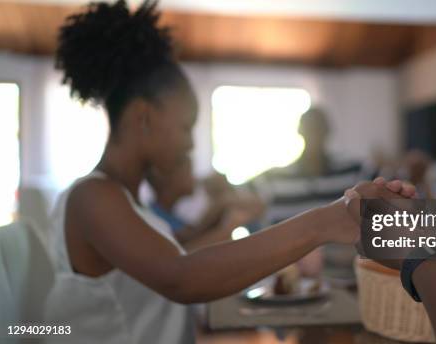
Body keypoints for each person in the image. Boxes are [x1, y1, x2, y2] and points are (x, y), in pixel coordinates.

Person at [44, 2, 413, 343]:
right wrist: (325, 222)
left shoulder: (124, 201)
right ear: (144, 117)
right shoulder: (92, 197)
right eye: (186, 127)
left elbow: (180, 255)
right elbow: (181, 276)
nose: (190, 144)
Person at [251, 107, 376, 279]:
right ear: (299, 131)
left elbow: (387, 203)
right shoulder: (273, 179)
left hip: (344, 278)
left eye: (319, 129)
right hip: (287, 280)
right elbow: (246, 212)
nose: (315, 135)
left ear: (329, 132)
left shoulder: (354, 171)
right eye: (310, 128)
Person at [147, 158, 262, 251]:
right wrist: (226, 229)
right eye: (189, 171)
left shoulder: (171, 215)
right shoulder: (152, 219)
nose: (194, 177)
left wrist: (219, 206)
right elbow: (181, 255)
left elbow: (191, 235)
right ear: (167, 178)